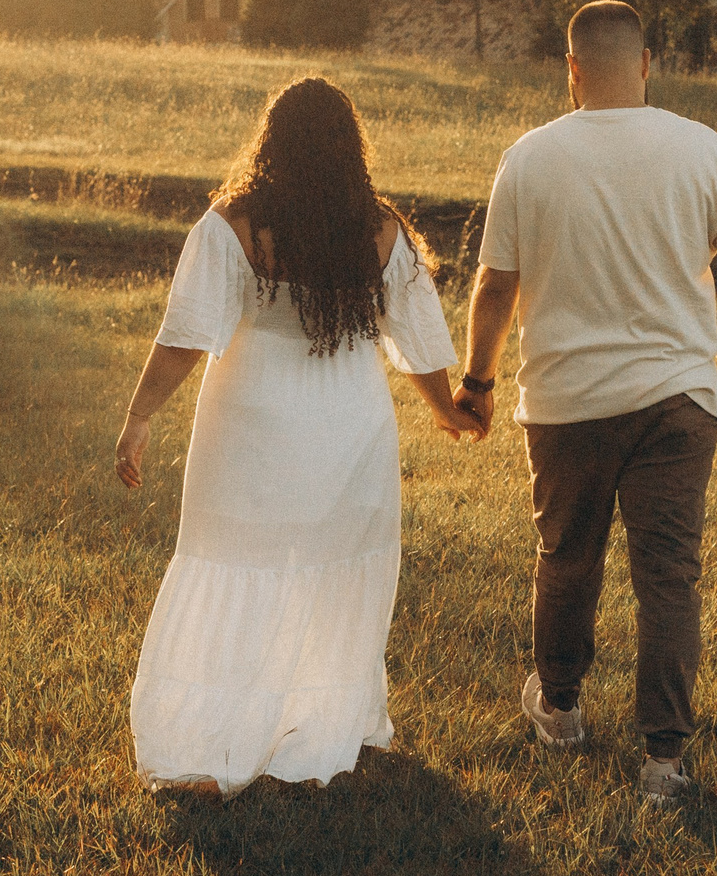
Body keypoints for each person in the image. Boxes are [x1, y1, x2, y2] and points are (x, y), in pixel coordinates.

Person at [454, 0, 717, 806]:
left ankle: (561, 711)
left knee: (567, 560)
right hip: (677, 401)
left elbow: (496, 284)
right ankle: (665, 763)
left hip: (565, 403)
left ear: (570, 70)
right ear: (646, 64)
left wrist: (478, 382)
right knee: (668, 578)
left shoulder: (529, 158)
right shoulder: (700, 147)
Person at [115, 76, 482, 794]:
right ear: (352, 148)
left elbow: (186, 338)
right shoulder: (381, 231)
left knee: (237, 562)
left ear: (270, 142)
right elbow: (423, 342)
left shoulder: (234, 225)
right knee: (330, 571)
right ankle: (321, 723)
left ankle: (218, 734)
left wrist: (140, 416)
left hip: (251, 416)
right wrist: (445, 408)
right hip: (348, 423)